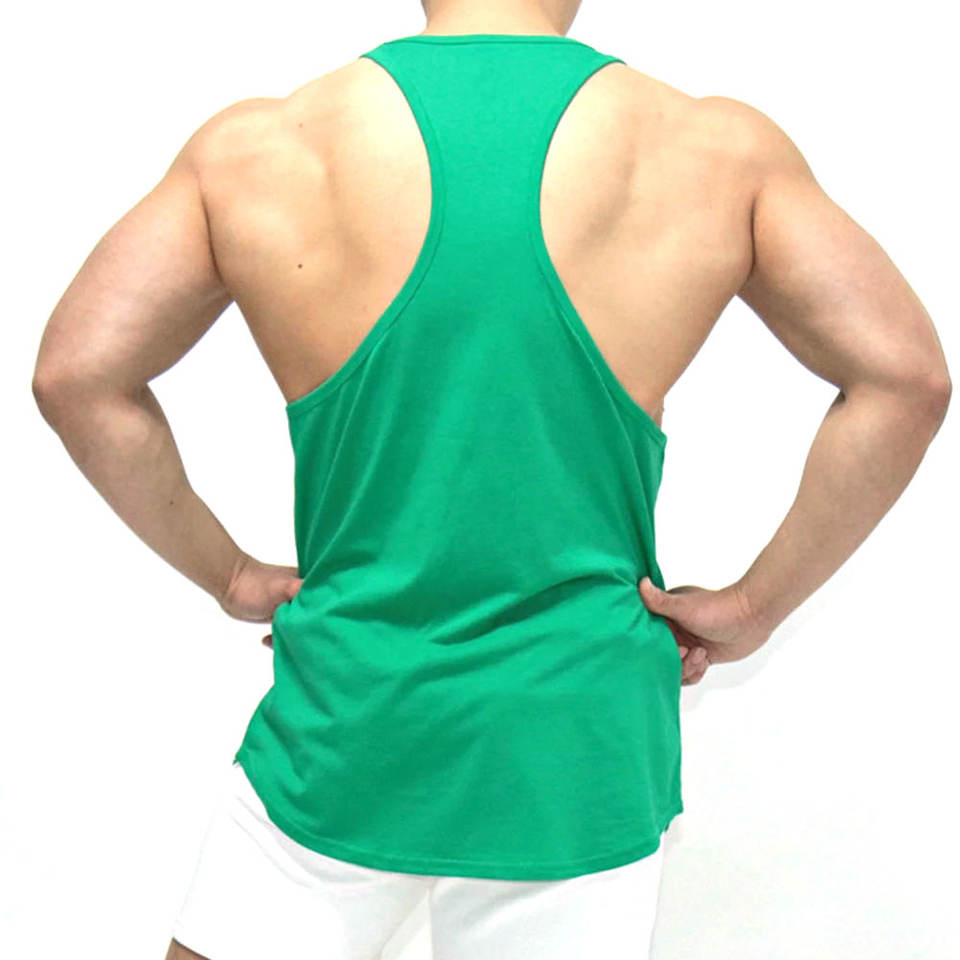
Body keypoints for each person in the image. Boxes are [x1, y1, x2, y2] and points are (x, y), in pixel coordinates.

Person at [32, 0, 951, 957]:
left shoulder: (259, 148)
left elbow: (76, 375)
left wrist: (228, 575)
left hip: (347, 721)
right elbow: (907, 379)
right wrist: (755, 607)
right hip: (576, 743)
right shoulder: (714, 148)